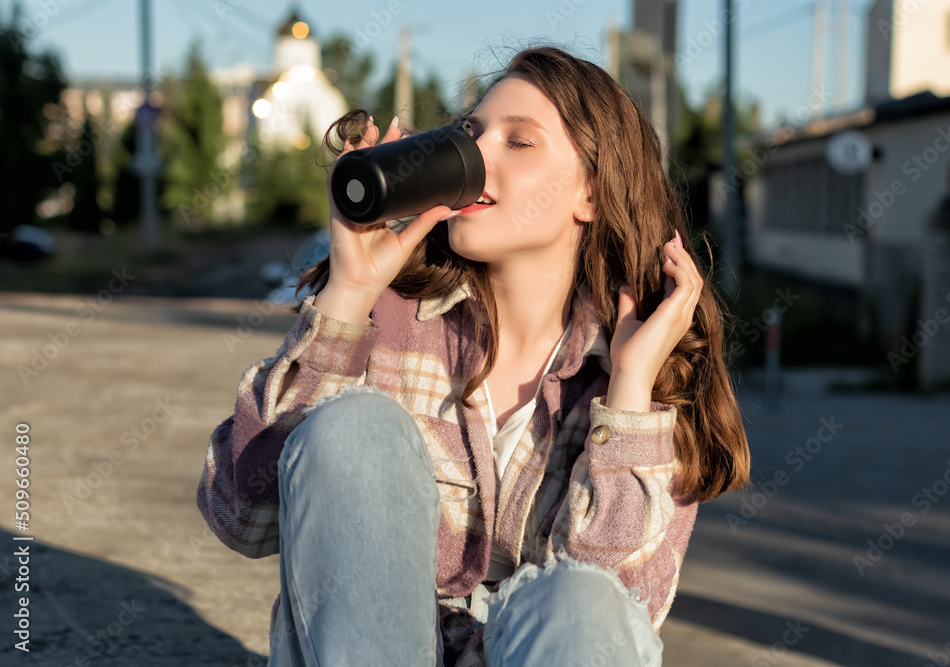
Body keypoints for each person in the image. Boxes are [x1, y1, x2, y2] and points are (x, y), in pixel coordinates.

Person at [197, 45, 750, 667]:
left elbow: (617, 615)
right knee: (354, 427)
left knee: (581, 599)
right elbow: (242, 517)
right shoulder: (387, 321)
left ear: (590, 194)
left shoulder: (648, 372)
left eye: (519, 142)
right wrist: (349, 296)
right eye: (470, 132)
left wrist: (627, 390)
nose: (476, 156)